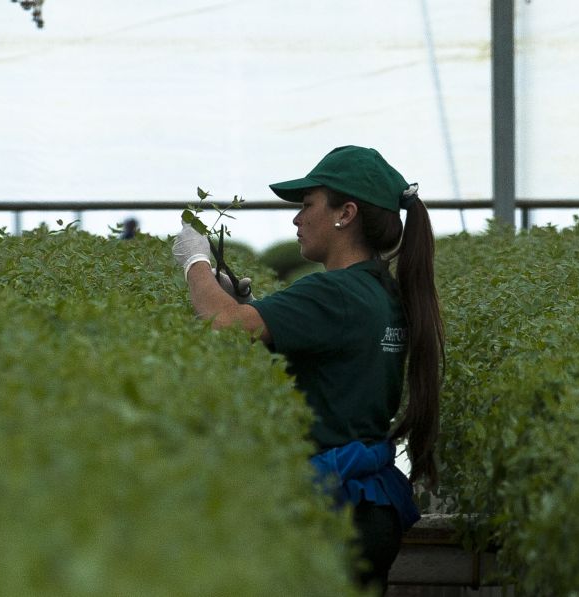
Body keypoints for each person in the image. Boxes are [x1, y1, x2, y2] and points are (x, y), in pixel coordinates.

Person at [172, 145, 444, 595]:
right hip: (368, 507)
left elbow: (225, 325)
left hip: (332, 513)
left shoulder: (334, 292)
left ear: (346, 213)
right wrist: (246, 305)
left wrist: (195, 263)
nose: (296, 219)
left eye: (306, 205)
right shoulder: (379, 291)